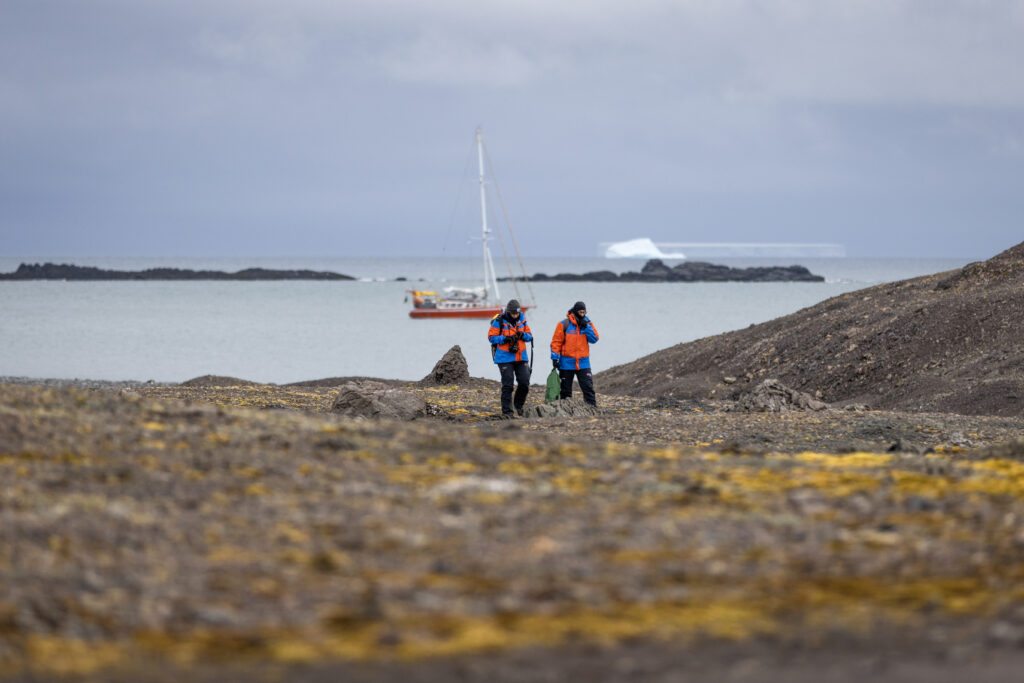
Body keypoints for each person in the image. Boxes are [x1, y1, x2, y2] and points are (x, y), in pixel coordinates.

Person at [488, 299, 533, 417]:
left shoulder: (522, 320)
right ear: (508, 312)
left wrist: (522, 335)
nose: (515, 316)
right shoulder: (500, 320)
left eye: (517, 313)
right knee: (508, 385)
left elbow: (530, 337)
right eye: (513, 313)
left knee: (524, 383)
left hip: (521, 356)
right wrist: (505, 339)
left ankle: (518, 405)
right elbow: (491, 337)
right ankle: (507, 413)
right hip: (504, 357)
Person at [550, 301, 599, 406]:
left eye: (584, 312)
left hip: (583, 363)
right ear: (576, 311)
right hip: (566, 363)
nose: (582, 314)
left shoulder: (587, 324)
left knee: (588, 388)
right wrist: (554, 358)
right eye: (580, 312)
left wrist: (586, 327)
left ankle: (592, 409)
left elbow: (594, 339)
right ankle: (565, 412)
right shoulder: (564, 324)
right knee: (565, 391)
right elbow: (556, 342)